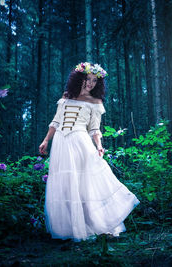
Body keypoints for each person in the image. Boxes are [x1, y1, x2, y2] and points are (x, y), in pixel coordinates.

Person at [39, 62, 140, 241]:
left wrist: (99, 145)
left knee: (84, 182)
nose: (91, 83)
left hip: (80, 140)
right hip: (61, 142)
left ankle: (93, 223)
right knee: (65, 183)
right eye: (88, 79)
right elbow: (56, 120)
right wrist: (46, 140)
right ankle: (70, 228)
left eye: (94, 80)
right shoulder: (66, 96)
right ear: (80, 79)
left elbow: (94, 128)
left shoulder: (96, 102)